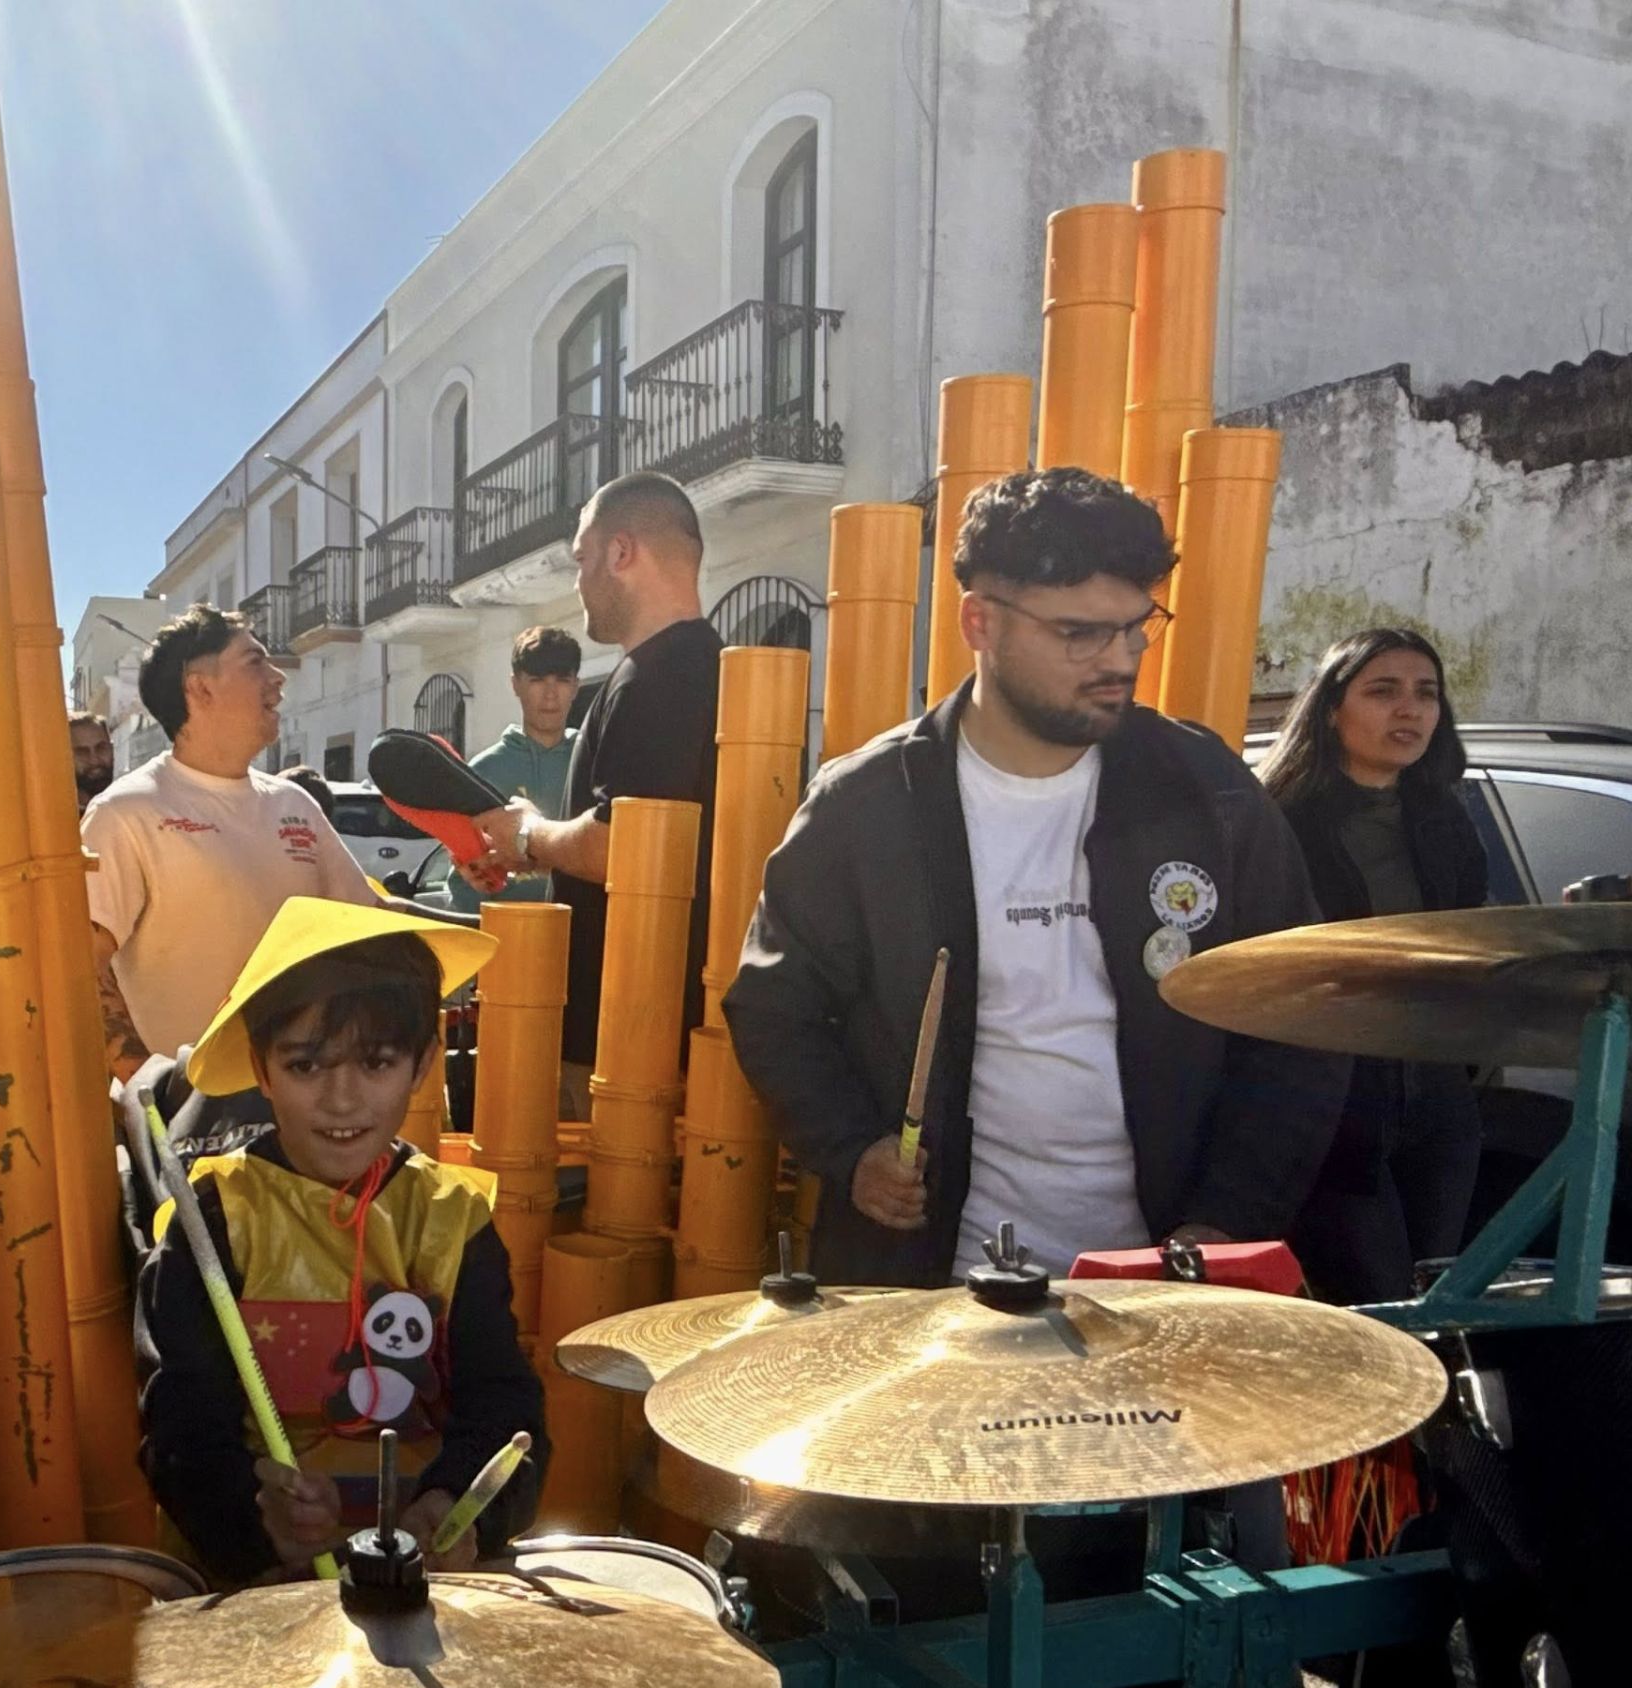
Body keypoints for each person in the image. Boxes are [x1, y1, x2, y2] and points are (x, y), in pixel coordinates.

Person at [726, 464, 1347, 1287]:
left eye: (1135, 626)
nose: (1119, 659)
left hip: (1163, 1280)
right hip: (933, 1286)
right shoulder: (867, 807)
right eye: (1080, 633)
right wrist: (851, 1149)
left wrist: (1225, 1216)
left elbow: (1298, 1014)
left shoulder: (1210, 792)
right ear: (980, 621)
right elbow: (775, 1006)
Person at [133, 899, 548, 1588]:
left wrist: (457, 1509)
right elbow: (179, 1431)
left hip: (426, 1584)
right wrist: (254, 1519)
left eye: (377, 1062)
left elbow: (505, 1409)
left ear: (421, 1066)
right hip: (258, 1590)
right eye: (305, 1066)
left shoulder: (456, 1218)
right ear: (262, 1071)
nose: (343, 1099)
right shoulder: (211, 1220)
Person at [471, 474, 721, 1115]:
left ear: (621, 553)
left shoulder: (661, 678)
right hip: (644, 1034)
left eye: (582, 558)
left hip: (627, 1047)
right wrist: (535, 850)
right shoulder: (679, 667)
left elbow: (623, 849)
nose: (578, 580)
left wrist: (528, 832)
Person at [1259, 628, 1486, 1305]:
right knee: (1379, 1306)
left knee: (1440, 1296)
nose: (1409, 710)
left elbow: (1471, 944)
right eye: (1383, 691)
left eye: (1426, 694)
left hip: (1437, 1095)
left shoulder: (1444, 816)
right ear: (1332, 709)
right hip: (1336, 1105)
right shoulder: (1280, 819)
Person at [82, 605, 373, 1083]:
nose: (278, 677)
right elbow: (80, 969)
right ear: (200, 687)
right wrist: (152, 1087)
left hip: (304, 1110)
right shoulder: (124, 814)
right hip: (194, 1126)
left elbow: (367, 924)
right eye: (255, 662)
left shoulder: (293, 804)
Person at [445, 626, 582, 912]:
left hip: (584, 938)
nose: (550, 694)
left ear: (576, 687)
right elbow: (466, 877)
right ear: (515, 684)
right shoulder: (482, 772)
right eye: (537, 680)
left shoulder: (593, 765)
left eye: (562, 680)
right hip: (507, 941)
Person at [69, 710, 115, 814]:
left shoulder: (129, 807)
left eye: (101, 748)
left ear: (111, 749)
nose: (94, 760)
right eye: (82, 752)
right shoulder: (54, 816)